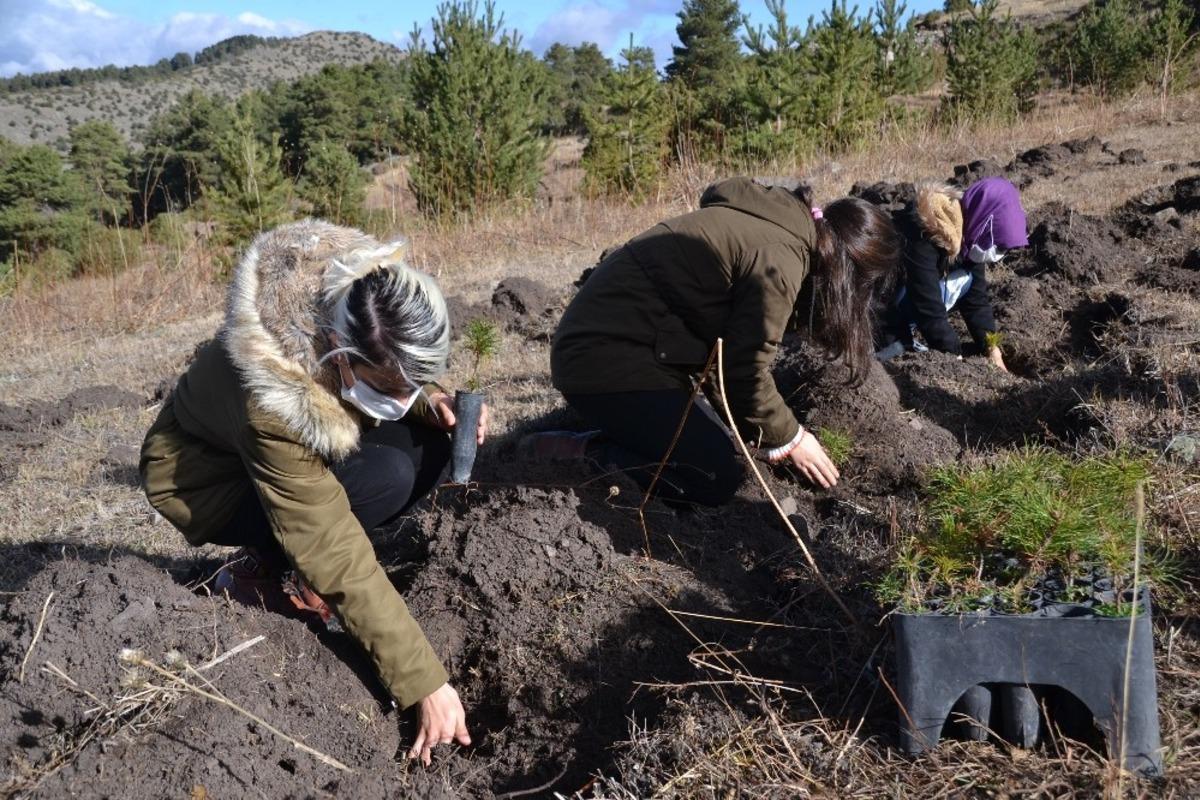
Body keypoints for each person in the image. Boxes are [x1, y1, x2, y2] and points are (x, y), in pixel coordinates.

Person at [139, 219, 486, 765]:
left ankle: (288, 558)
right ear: (338, 355)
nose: (403, 397)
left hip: (284, 438)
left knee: (424, 447)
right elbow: (331, 544)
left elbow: (394, 372)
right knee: (381, 483)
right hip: (205, 480)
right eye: (394, 388)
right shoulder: (270, 393)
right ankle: (260, 571)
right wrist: (424, 683)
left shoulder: (359, 301)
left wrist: (427, 404)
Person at [525, 176, 899, 505]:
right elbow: (743, 369)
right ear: (850, 271)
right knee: (713, 477)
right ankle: (573, 454)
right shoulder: (780, 257)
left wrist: (764, 434)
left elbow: (723, 355)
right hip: (604, 354)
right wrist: (793, 438)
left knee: (716, 447)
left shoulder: (782, 231)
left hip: (628, 346)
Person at [875, 177, 1029, 370]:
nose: (998, 254)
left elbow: (976, 301)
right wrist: (953, 356)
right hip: (881, 306)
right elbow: (928, 306)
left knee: (967, 278)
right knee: (891, 354)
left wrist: (991, 347)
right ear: (984, 224)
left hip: (912, 303)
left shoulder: (969, 234)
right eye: (998, 245)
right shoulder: (922, 234)